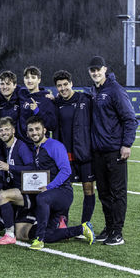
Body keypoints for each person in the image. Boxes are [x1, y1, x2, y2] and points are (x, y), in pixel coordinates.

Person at [88, 56, 138, 246]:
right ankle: (109, 227)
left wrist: (127, 144)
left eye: (98, 69)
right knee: (104, 193)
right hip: (98, 151)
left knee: (117, 192)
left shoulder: (115, 90)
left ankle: (117, 232)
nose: (95, 72)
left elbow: (130, 119)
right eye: (92, 70)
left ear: (105, 69)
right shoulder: (94, 91)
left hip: (114, 150)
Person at [26, 116, 95, 250]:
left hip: (63, 192)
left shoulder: (54, 145)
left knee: (42, 198)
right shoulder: (35, 149)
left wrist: (48, 187)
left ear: (44, 130)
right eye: (31, 130)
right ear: (27, 133)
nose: (34, 132)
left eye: (37, 129)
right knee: (43, 234)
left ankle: (39, 240)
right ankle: (81, 229)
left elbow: (66, 171)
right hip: (50, 196)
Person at [53, 70, 96, 224]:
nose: (63, 88)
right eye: (59, 86)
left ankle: (85, 225)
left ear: (71, 84)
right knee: (64, 192)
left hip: (84, 154)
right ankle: (63, 223)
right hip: (65, 156)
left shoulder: (85, 99)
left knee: (88, 189)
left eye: (65, 84)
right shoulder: (55, 103)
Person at [0, 117, 34, 245]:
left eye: (7, 129)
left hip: (28, 192)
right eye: (1, 130)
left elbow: (32, 168)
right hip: (17, 191)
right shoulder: (6, 147)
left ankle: (9, 233)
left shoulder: (21, 147)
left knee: (2, 195)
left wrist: (10, 167)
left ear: (13, 130)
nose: (4, 133)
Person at [17, 66, 57, 146]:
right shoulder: (21, 94)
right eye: (27, 77)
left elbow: (52, 124)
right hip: (22, 144)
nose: (29, 80)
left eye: (33, 77)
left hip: (39, 145)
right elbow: (5, 89)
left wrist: (37, 111)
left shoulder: (46, 99)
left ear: (39, 80)